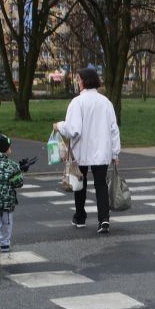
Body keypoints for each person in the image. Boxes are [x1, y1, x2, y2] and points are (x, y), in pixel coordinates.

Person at [53, 67, 121, 234]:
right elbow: (114, 129)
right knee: (101, 185)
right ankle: (104, 219)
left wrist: (58, 126)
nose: (77, 82)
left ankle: (80, 217)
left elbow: (73, 129)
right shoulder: (106, 102)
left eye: (78, 79)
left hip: (81, 151)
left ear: (83, 81)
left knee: (79, 183)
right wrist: (115, 152)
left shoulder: (77, 102)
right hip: (102, 151)